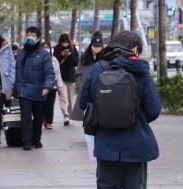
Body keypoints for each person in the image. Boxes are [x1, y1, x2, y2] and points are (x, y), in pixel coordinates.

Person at [79, 31, 161, 189]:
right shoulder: (141, 71)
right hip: (136, 144)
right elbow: (153, 109)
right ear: (135, 49)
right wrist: (134, 116)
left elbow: (83, 103)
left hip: (106, 144)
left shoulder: (97, 68)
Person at [13, 26, 55, 150]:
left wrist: (47, 86)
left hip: (39, 90)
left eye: (33, 35)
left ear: (38, 39)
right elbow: (16, 71)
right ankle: (26, 141)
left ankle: (36, 139)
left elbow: (49, 72)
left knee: (38, 117)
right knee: (25, 117)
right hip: (23, 90)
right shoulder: (21, 52)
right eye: (28, 34)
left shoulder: (44, 54)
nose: (30, 37)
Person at [71, 31, 104, 122]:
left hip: (101, 90)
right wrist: (80, 84)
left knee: (99, 115)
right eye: (95, 46)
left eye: (99, 46)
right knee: (87, 116)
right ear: (91, 46)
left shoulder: (105, 58)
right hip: (86, 89)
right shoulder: (84, 57)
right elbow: (78, 72)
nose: (97, 48)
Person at [53, 33, 79, 125]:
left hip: (71, 76)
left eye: (66, 42)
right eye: (63, 42)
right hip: (60, 76)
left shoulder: (73, 48)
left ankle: (70, 115)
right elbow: (54, 61)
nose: (65, 44)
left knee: (70, 98)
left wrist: (70, 55)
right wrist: (61, 55)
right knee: (63, 97)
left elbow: (76, 62)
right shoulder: (57, 48)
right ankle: (66, 116)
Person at [41, 42, 63, 129]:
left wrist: (60, 85)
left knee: (50, 104)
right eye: (44, 47)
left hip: (52, 85)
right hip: (41, 85)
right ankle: (43, 119)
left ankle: (49, 122)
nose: (46, 49)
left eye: (47, 47)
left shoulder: (54, 59)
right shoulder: (38, 58)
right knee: (42, 104)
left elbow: (58, 73)